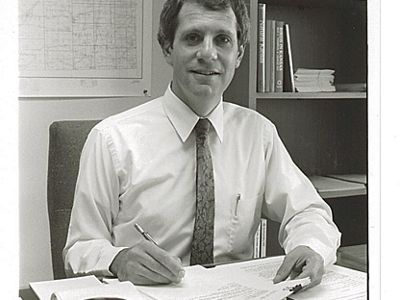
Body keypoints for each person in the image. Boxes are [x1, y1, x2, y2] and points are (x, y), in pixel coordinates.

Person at [63, 0, 341, 289]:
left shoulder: (258, 134)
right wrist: (118, 259)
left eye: (222, 40)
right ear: (168, 48)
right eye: (193, 38)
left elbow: (307, 211)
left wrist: (309, 246)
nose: (208, 53)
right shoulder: (111, 139)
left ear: (239, 54)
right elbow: (79, 248)